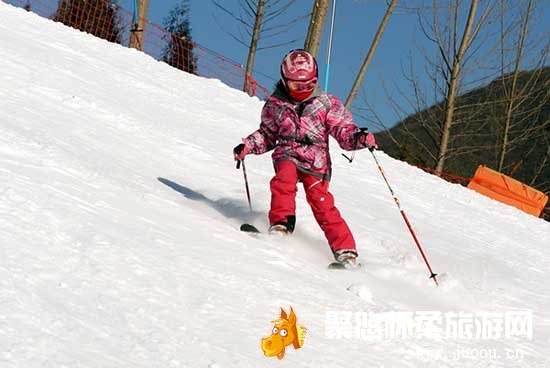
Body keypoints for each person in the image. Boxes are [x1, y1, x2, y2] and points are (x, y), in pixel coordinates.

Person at [233, 49, 377, 268]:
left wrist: (359, 138)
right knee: (284, 180)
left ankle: (346, 250)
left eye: (309, 85)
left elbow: (343, 129)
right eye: (296, 86)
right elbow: (268, 134)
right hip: (288, 152)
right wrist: (248, 146)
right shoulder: (275, 105)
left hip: (316, 161)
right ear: (284, 81)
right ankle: (281, 225)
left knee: (320, 201)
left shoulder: (326, 104)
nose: (303, 90)